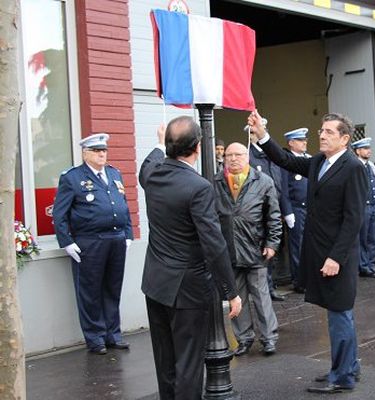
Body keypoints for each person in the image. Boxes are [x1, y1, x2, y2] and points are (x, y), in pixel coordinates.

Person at [248, 110, 367, 394]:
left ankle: (342, 377)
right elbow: (285, 159)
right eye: (321, 131)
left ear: (345, 138)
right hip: (322, 253)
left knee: (340, 314)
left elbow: (353, 219)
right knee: (338, 313)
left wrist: (336, 258)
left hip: (337, 257)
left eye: (328, 132)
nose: (321, 135)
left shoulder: (353, 167)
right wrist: (262, 134)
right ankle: (347, 366)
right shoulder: (320, 163)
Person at [139, 117, 241, 399]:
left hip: (155, 284)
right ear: (197, 147)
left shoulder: (152, 176)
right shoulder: (198, 187)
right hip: (187, 289)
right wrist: (230, 291)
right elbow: (214, 244)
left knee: (166, 363)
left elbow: (145, 167)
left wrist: (160, 144)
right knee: (188, 365)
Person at [53, 133, 133, 355]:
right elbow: (60, 214)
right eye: (97, 151)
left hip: (116, 240)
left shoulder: (114, 174)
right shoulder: (72, 177)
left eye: (104, 150)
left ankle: (113, 334)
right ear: (85, 153)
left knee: (112, 289)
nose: (101, 154)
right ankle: (95, 337)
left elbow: (123, 206)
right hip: (90, 242)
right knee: (90, 291)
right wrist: (67, 242)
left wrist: (128, 233)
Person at [214, 142, 282, 357]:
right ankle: (243, 338)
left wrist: (272, 243)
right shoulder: (215, 182)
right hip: (228, 250)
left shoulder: (263, 181)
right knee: (236, 297)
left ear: (247, 156)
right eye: (229, 155)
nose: (233, 158)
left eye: (238, 154)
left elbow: (273, 216)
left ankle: (268, 338)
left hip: (255, 248)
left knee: (261, 296)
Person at [248, 126, 290, 302]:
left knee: (273, 250)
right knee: (260, 252)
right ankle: (263, 289)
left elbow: (280, 184)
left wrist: (284, 210)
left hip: (274, 210)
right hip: (258, 211)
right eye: (255, 132)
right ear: (250, 135)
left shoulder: (272, 154)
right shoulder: (249, 155)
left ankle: (271, 287)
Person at [280, 128, 310, 293]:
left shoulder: (308, 159)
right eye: (300, 140)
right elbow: (283, 189)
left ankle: (309, 277)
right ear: (291, 143)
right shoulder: (288, 161)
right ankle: (299, 280)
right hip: (296, 209)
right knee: (297, 246)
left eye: (305, 140)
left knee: (309, 245)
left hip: (309, 208)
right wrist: (287, 211)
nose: (304, 142)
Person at [352, 137, 375, 278]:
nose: (368, 151)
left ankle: (371, 264)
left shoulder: (370, 166)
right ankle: (363, 266)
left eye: (368, 148)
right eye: (365, 148)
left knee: (372, 238)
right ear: (358, 151)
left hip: (373, 205)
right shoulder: (356, 166)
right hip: (363, 207)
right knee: (362, 238)